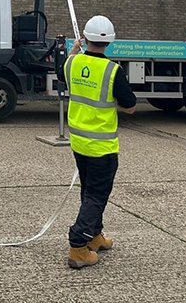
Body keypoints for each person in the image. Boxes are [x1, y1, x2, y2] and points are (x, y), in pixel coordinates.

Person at [64, 15, 137, 269]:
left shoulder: (72, 63)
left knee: (89, 191)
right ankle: (78, 246)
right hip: (102, 148)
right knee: (96, 196)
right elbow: (130, 107)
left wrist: (74, 51)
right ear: (110, 41)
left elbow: (63, 75)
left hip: (79, 143)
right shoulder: (112, 71)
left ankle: (94, 235)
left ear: (85, 38)